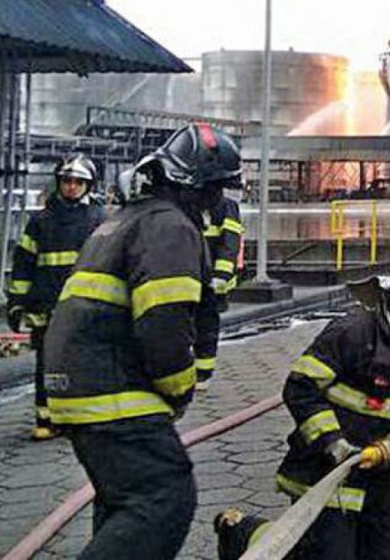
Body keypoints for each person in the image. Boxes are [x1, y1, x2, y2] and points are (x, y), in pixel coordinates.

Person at [45, 123, 243, 559]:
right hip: (112, 389)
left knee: (124, 502)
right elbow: (162, 322)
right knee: (164, 495)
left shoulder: (125, 220)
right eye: (213, 189)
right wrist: (180, 386)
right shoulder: (169, 227)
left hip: (77, 385)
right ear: (191, 186)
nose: (216, 202)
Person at [215, 255, 390, 560]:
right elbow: (300, 386)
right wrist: (333, 442)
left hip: (376, 477)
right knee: (318, 553)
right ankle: (241, 532)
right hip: (323, 472)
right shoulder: (352, 332)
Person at [4, 154, 105, 440]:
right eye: (67, 181)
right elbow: (23, 265)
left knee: (85, 362)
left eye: (78, 182)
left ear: (89, 185)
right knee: (47, 365)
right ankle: (46, 419)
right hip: (46, 309)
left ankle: (81, 418)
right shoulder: (40, 222)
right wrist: (16, 304)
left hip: (87, 308)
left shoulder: (99, 220)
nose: (71, 186)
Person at [195, 192, 244, 389]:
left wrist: (221, 276)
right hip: (188, 275)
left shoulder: (225, 206)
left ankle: (203, 372)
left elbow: (230, 242)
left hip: (212, 281)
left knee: (205, 326)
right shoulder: (185, 205)